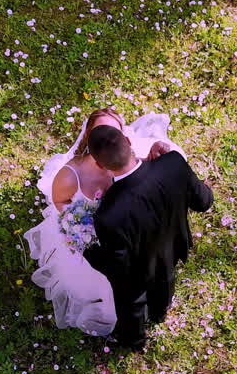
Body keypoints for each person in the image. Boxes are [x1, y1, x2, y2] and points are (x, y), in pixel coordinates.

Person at [24, 110, 184, 337]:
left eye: (114, 132)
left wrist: (153, 156)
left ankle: (155, 308)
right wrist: (81, 225)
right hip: (101, 246)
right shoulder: (70, 176)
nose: (108, 139)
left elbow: (141, 172)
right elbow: (60, 201)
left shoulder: (126, 154)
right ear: (90, 138)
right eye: (100, 133)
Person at [82, 124, 213, 350]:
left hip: (138, 268)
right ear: (128, 141)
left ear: (100, 165)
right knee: (166, 278)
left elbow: (119, 267)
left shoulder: (109, 213)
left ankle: (133, 341)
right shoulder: (173, 163)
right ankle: (160, 312)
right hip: (172, 245)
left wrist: (91, 254)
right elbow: (203, 202)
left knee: (130, 301)